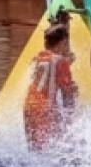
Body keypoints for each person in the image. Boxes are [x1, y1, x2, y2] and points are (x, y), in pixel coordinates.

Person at [23, 11, 79, 151]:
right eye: (66, 43)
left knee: (35, 150)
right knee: (52, 148)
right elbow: (68, 96)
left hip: (29, 107)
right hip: (45, 109)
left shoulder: (37, 59)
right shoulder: (60, 61)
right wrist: (71, 122)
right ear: (63, 43)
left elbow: (48, 74)